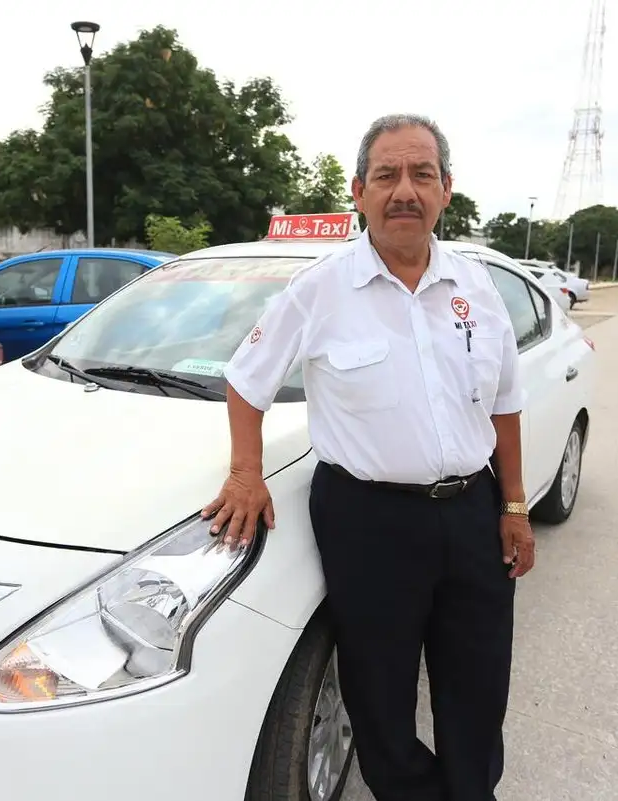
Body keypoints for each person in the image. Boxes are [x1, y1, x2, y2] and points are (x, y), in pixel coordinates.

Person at [202, 113, 535, 801]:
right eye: (387, 175)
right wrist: (244, 472)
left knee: (479, 684)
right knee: (378, 695)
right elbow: (247, 380)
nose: (404, 190)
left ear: (446, 189)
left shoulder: (477, 288)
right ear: (359, 192)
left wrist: (514, 504)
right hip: (368, 519)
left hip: (473, 513)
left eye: (421, 174)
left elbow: (504, 403)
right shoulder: (319, 289)